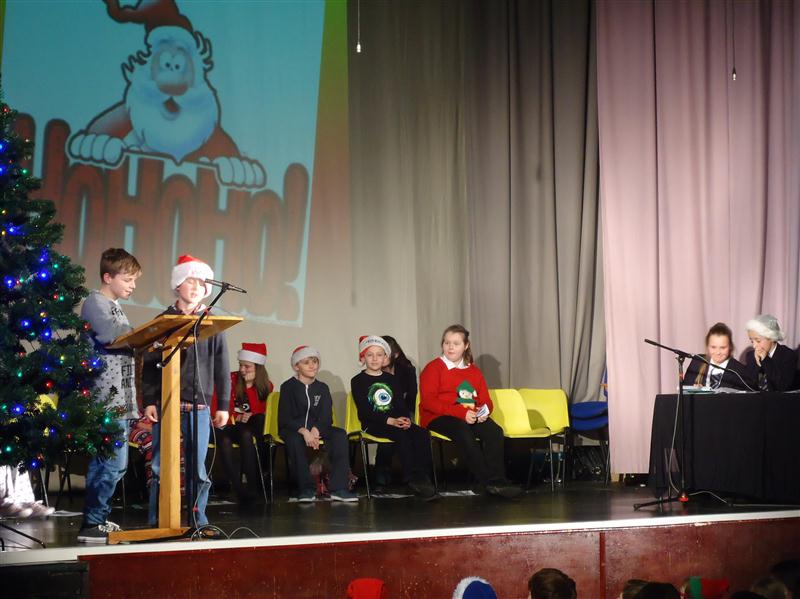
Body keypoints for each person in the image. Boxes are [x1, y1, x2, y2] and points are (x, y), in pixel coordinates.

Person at [142, 255, 230, 530]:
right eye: (191, 281)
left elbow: (221, 365)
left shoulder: (212, 322)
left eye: (202, 283)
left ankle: (197, 520)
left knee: (197, 468)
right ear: (178, 284)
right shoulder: (164, 319)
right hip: (167, 402)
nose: (196, 287)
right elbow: (150, 365)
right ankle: (157, 520)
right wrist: (149, 400)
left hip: (199, 405)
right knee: (160, 466)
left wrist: (223, 404)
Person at [77, 248, 141, 543]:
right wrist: (143, 334)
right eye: (127, 279)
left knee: (118, 464)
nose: (132, 285)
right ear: (107, 277)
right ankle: (92, 523)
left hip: (121, 398)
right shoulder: (95, 303)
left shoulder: (114, 305)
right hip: (105, 397)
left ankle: (98, 519)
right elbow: (111, 336)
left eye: (134, 280)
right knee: (109, 462)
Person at [419, 324, 520, 499]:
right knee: (462, 429)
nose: (450, 347)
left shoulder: (473, 371)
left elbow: (485, 400)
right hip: (439, 416)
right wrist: (461, 413)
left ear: (466, 346)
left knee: (494, 431)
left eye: (456, 343)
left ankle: (498, 480)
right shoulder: (433, 368)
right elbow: (428, 402)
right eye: (447, 343)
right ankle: (489, 482)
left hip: (468, 415)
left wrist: (483, 412)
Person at [350, 335, 434, 498]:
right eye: (370, 355)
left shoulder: (391, 379)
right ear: (363, 358)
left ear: (385, 358)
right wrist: (390, 420)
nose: (375, 359)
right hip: (373, 424)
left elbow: (400, 405)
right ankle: (410, 479)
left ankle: (422, 477)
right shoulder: (358, 381)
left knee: (422, 434)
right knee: (400, 434)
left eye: (379, 355)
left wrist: (405, 419)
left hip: (394, 421)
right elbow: (365, 410)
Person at [278, 346, 358, 502]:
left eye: (314, 361)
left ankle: (339, 488)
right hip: (294, 429)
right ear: (296, 366)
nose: (312, 365)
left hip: (317, 429)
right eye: (306, 362)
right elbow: (285, 418)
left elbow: (327, 417)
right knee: (294, 440)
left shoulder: (322, 388)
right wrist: (304, 431)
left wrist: (315, 430)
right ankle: (306, 489)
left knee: (339, 435)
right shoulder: (288, 387)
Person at [216, 342, 272, 503]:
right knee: (229, 439)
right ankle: (240, 488)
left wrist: (249, 387)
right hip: (228, 424)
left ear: (258, 368)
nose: (242, 370)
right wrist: (237, 416)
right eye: (241, 365)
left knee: (255, 425)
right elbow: (222, 406)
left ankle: (254, 485)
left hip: (249, 427)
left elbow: (260, 410)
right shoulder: (230, 379)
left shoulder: (266, 385)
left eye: (247, 366)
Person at [372, 334, 417, 486]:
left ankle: (414, 475)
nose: (380, 356)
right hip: (381, 414)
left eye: (384, 353)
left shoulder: (407, 369)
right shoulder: (373, 371)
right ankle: (382, 469)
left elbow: (412, 396)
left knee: (411, 430)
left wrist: (404, 415)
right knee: (389, 427)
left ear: (395, 354)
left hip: (404, 411)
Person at [683, 322, 753, 390]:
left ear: (730, 347)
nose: (718, 352)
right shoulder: (697, 362)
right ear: (707, 346)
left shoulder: (739, 371)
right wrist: (693, 391)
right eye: (713, 347)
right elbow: (684, 391)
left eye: (723, 348)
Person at [744, 314, 798, 392]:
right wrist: (758, 365)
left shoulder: (788, 355)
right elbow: (749, 386)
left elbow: (783, 386)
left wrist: (765, 361)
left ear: (772, 337)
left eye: (758, 341)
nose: (754, 346)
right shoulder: (750, 356)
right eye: (752, 341)